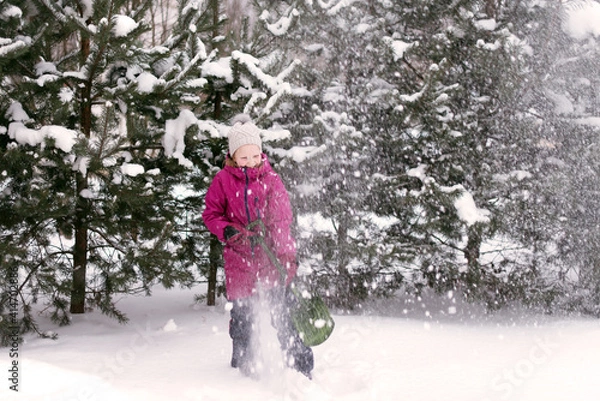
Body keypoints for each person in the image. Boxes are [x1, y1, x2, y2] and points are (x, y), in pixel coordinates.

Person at [202, 116, 314, 379]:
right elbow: (211, 214)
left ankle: (300, 367)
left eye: (255, 155)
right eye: (244, 157)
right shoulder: (222, 181)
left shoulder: (272, 180)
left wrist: (286, 258)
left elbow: (281, 223)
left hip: (270, 259)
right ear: (232, 156)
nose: (251, 162)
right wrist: (226, 230)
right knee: (242, 318)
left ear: (261, 153)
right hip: (238, 260)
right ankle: (243, 366)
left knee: (284, 315)